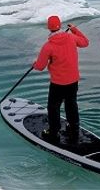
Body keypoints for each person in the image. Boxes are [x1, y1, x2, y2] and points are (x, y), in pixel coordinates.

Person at [33, 15, 89, 144]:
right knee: (71, 105)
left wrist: (34, 64)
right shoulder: (71, 37)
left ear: (49, 28)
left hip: (58, 84)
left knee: (53, 107)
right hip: (73, 81)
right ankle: (73, 129)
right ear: (60, 25)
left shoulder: (48, 46)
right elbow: (85, 42)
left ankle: (53, 132)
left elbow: (40, 67)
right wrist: (75, 30)